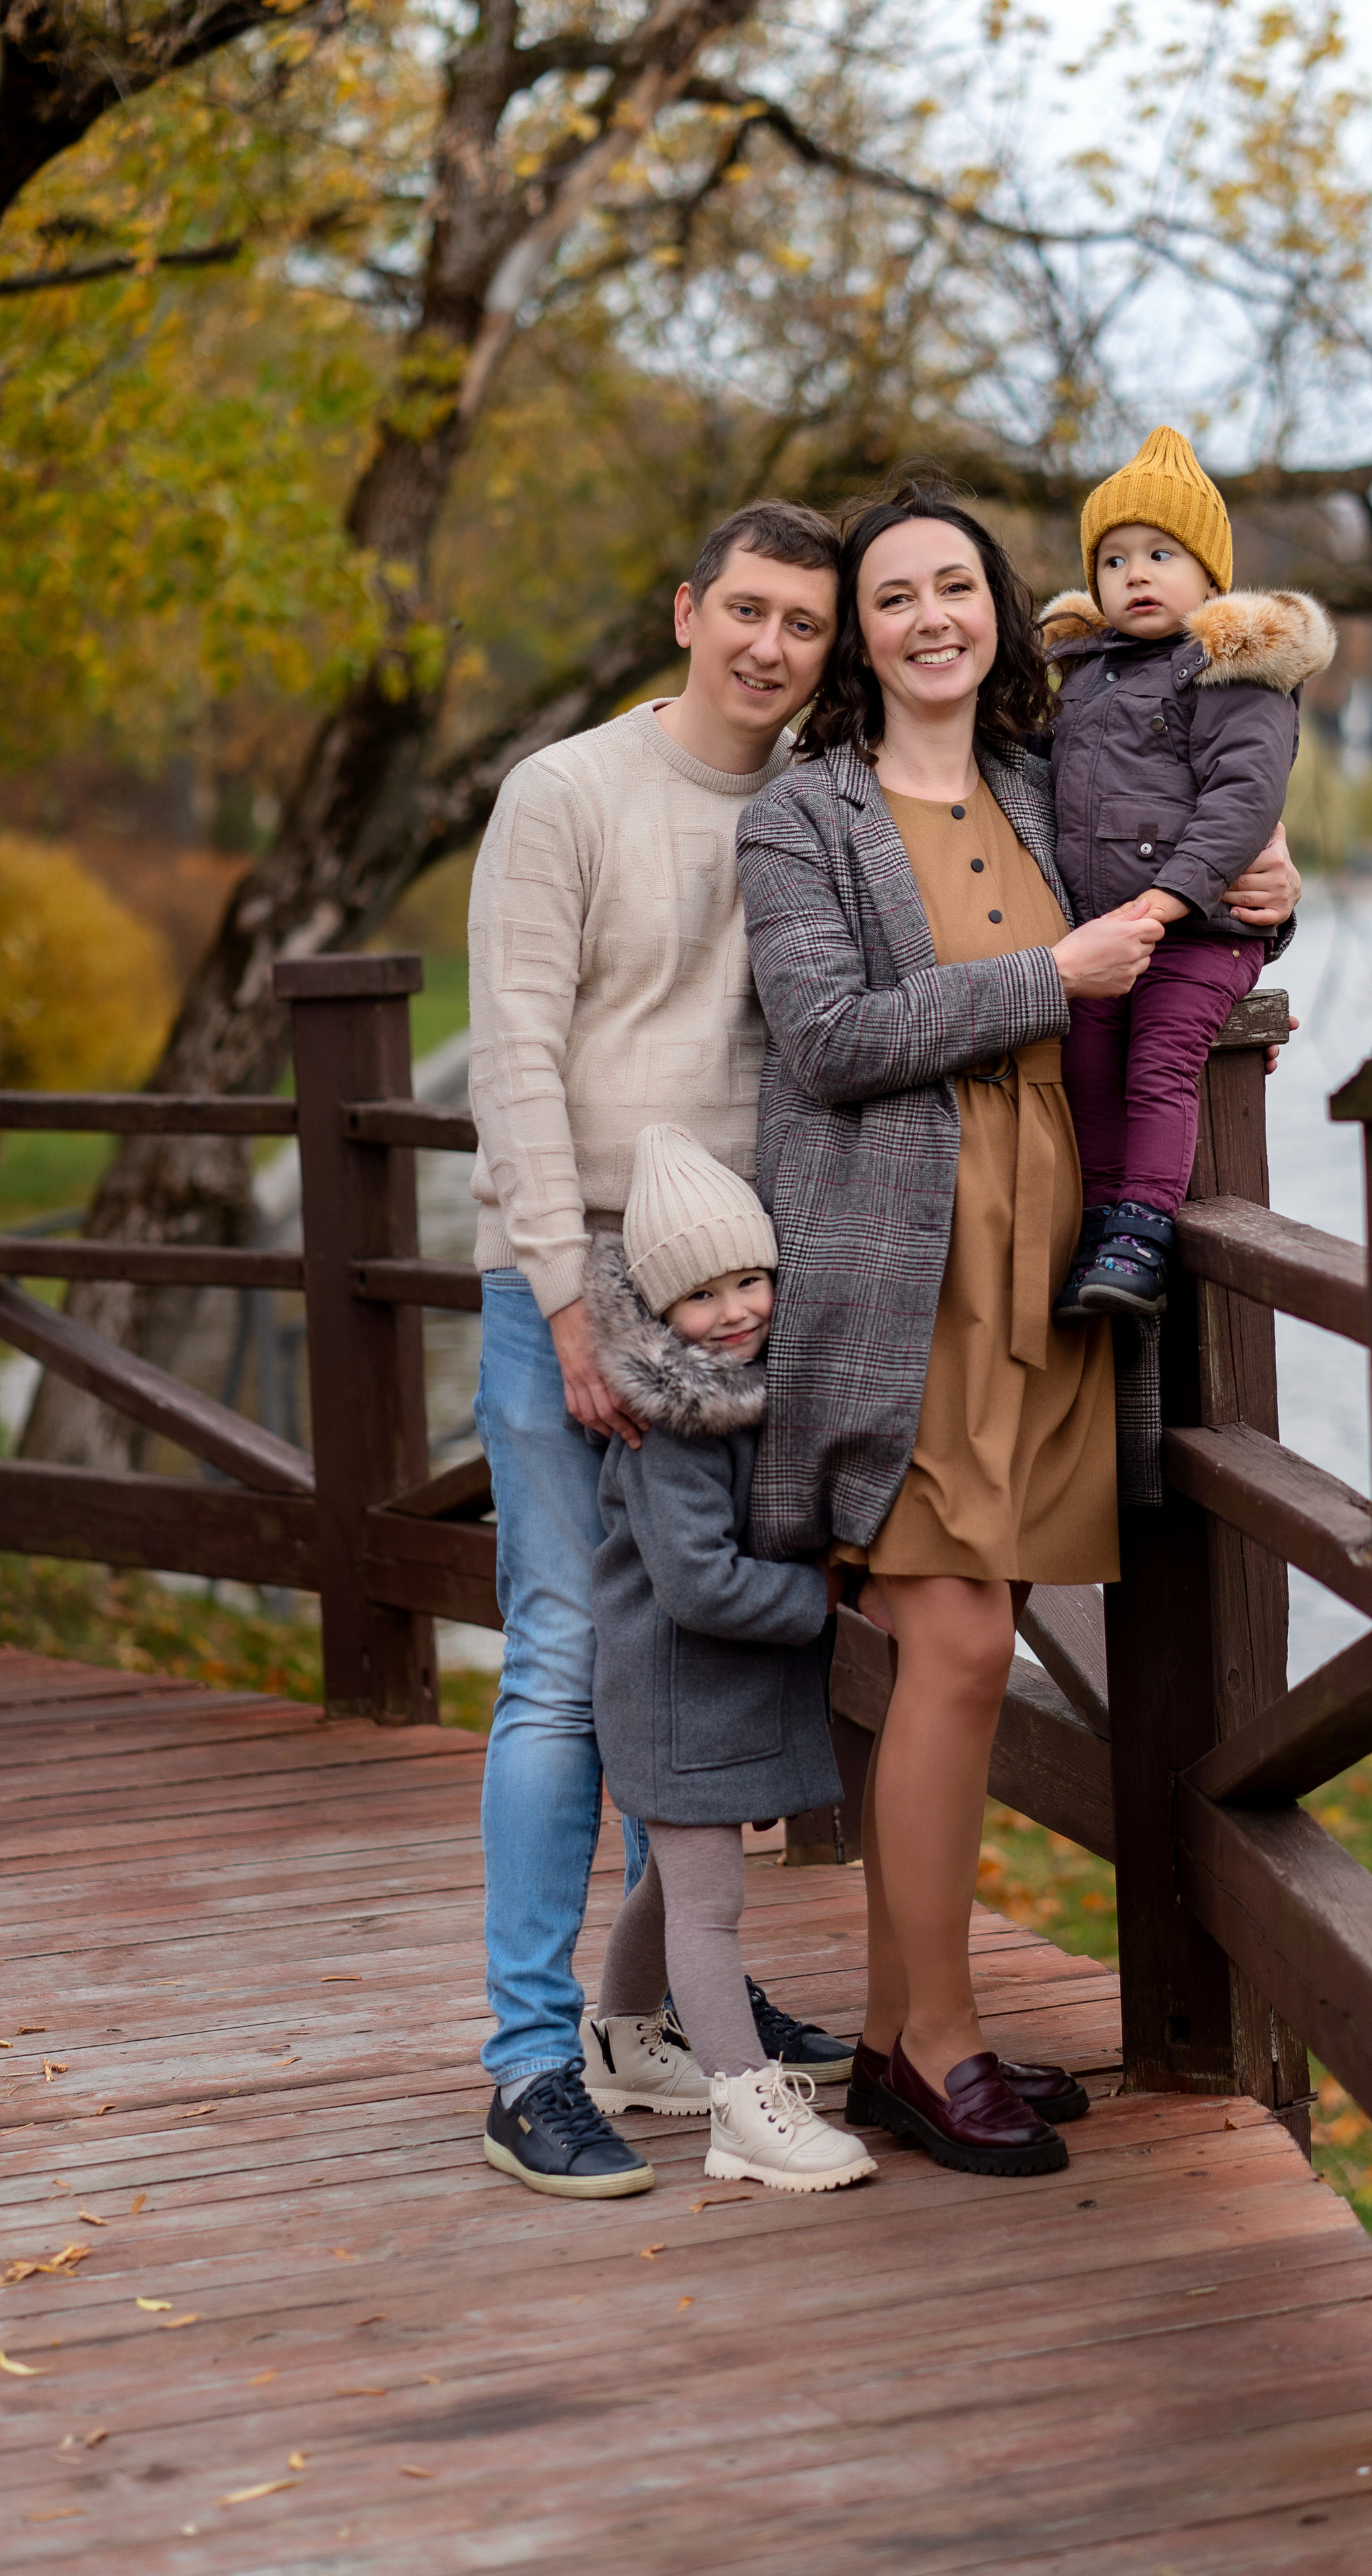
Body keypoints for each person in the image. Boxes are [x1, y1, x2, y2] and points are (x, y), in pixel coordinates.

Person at [734, 479, 1299, 2180]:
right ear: (858, 635)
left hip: (1042, 1258)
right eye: (893, 596)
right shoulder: (804, 815)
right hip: (892, 1268)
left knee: (964, 1654)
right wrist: (1051, 980)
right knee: (962, 1643)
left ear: (1000, 610)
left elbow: (1181, 890)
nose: (931, 619)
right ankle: (939, 2045)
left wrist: (1270, 894)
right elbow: (826, 1038)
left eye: (956, 588)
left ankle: (899, 2041)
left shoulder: (1047, 781)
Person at [470, 501, 857, 2202]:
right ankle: (528, 2060)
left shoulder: (820, 798)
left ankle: (661, 2017)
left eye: (804, 625)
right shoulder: (564, 792)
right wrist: (568, 1301)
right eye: (747, 610)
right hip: (573, 1275)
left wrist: (1253, 884)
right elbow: (514, 1056)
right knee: (564, 1659)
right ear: (688, 609)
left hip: (745, 1295)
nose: (770, 646)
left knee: (686, 1653)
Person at [576, 1124, 877, 2194]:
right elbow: (698, 1583)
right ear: (660, 1314)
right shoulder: (676, 1429)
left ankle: (619, 2041)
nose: (737, 1309)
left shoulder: (741, 1393)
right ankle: (746, 2109)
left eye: (751, 1279)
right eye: (701, 1296)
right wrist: (818, 1599)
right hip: (672, 1695)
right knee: (708, 1906)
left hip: (697, 1693)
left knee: (675, 1879)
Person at [1039, 424, 1335, 1321]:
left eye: (1160, 555)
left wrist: (1172, 898)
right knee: (1087, 1061)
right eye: (1115, 559)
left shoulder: (1230, 672)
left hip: (1201, 930)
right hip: (1109, 936)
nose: (1136, 574)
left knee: (1161, 1059)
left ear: (1210, 577)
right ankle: (1100, 1223)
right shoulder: (1082, 675)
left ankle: (1145, 1228)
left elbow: (1244, 799)